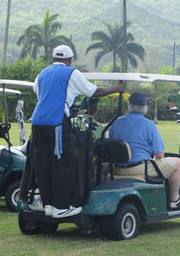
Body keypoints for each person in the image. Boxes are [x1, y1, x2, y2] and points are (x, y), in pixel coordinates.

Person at [31, 45, 124, 218]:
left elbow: (39, 92)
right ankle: (61, 207)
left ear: (53, 59)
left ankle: (49, 205)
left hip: (37, 122)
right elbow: (93, 91)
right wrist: (116, 88)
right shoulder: (71, 73)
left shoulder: (41, 74)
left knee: (43, 163)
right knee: (65, 162)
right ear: (70, 60)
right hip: (57, 122)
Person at [109, 93, 180, 208]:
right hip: (139, 168)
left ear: (129, 105)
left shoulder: (116, 123)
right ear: (144, 107)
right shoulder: (149, 125)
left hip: (117, 168)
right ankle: (175, 199)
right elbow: (159, 154)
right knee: (178, 163)